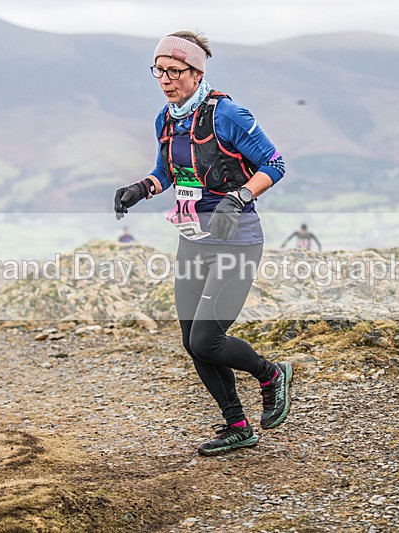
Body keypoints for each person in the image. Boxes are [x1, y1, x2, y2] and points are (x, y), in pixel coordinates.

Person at [113, 31, 293, 456]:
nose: (165, 79)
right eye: (159, 70)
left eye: (174, 71)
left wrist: (241, 196)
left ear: (197, 73)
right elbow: (168, 170)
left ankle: (270, 374)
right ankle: (237, 424)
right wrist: (142, 188)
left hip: (236, 240)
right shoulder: (166, 118)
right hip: (192, 239)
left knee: (206, 340)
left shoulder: (228, 114)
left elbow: (275, 163)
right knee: (190, 337)